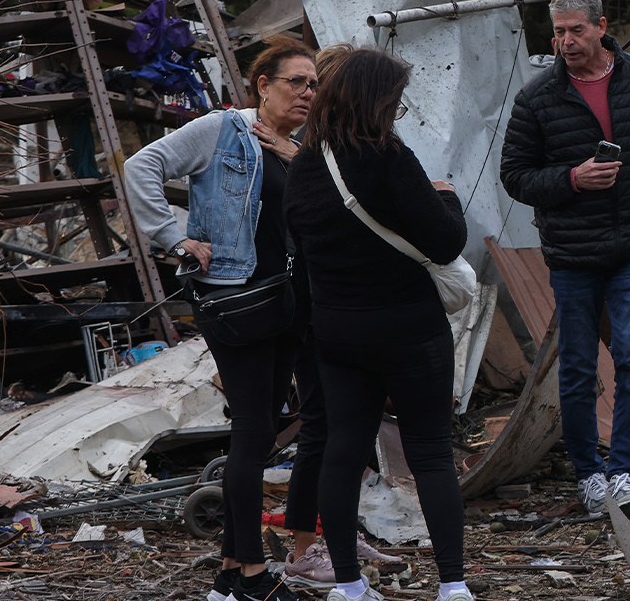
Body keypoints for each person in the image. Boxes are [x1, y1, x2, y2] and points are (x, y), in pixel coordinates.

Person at [500, 0, 630, 519]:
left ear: (600, 28)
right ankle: (589, 475)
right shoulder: (538, 98)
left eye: (576, 30)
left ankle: (625, 474)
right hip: (573, 252)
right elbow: (516, 177)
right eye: (559, 32)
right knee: (576, 364)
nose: (566, 41)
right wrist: (572, 178)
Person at [123, 38, 317, 601]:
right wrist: (172, 235)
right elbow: (143, 165)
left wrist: (292, 153)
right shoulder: (222, 128)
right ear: (263, 84)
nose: (307, 92)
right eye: (295, 82)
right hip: (237, 300)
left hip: (287, 304)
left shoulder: (297, 144)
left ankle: (233, 571)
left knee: (257, 433)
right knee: (254, 434)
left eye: (313, 84)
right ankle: (254, 576)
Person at [284, 48, 471, 601]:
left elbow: (303, 251)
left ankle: (348, 584)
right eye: (396, 100)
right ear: (376, 100)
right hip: (409, 327)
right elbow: (444, 241)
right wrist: (450, 200)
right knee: (431, 451)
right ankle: (453, 586)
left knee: (343, 449)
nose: (399, 109)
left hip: (338, 330)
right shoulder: (389, 156)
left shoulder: (305, 164)